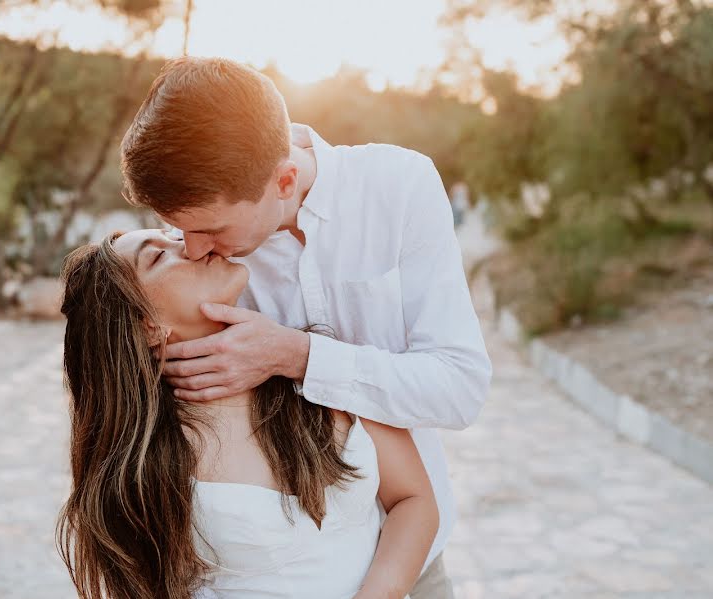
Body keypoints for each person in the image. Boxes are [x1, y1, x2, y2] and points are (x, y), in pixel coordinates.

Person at [120, 57, 493, 598]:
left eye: (211, 229)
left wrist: (297, 354)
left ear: (285, 180)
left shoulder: (400, 187)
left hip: (411, 552)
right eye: (179, 231)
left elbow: (459, 389)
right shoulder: (212, 263)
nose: (192, 248)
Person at [56, 230, 439, 599]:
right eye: (159, 255)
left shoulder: (315, 366)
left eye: (174, 238)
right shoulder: (146, 461)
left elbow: (413, 498)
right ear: (149, 327)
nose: (189, 246)